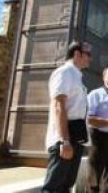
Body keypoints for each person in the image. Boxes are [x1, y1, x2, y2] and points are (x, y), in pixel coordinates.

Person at [41, 41, 92, 192]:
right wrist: (64, 140)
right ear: (77, 54)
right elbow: (59, 106)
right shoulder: (64, 72)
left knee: (65, 186)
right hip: (64, 139)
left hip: (75, 138)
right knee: (54, 187)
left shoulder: (76, 76)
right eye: (88, 54)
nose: (91, 58)